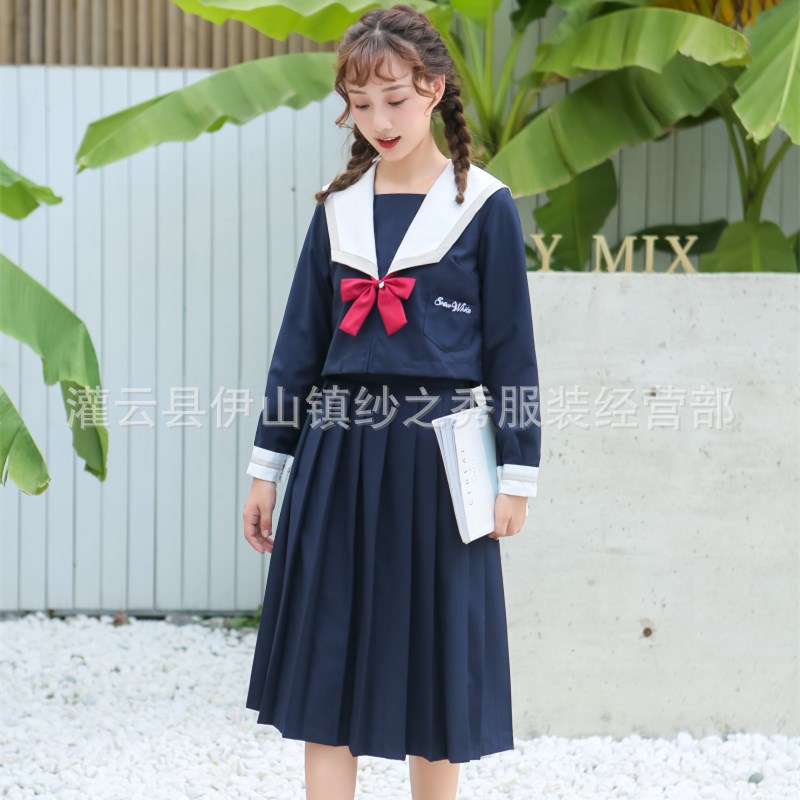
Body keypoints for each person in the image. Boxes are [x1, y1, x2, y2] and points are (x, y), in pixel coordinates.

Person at [241, 5, 542, 799]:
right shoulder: (337, 210)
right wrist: (267, 471)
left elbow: (512, 353)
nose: (379, 120)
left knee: (435, 663)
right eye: (361, 103)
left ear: (434, 89)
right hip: (336, 457)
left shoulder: (484, 207)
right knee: (324, 658)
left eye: (396, 100)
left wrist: (517, 477)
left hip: (441, 461)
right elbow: (297, 351)